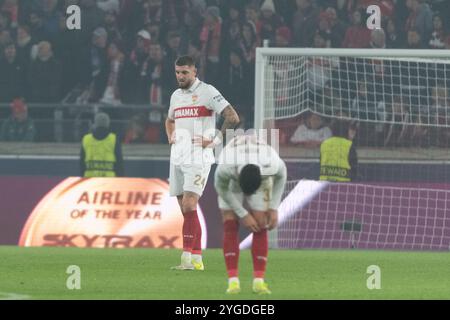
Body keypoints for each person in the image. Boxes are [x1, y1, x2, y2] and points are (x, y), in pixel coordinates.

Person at [165, 55, 240, 271]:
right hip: (178, 156)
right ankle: (197, 258)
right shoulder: (176, 96)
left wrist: (215, 140)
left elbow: (232, 116)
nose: (180, 76)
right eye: (177, 72)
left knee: (189, 204)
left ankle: (186, 260)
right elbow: (169, 119)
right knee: (186, 209)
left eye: (184, 72)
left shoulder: (208, 91)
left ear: (195, 72)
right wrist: (170, 135)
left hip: (199, 157)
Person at [214, 134, 287, 294]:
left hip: (259, 172)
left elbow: (282, 175)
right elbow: (221, 188)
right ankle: (233, 282)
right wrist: (243, 214)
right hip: (232, 180)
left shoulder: (271, 164)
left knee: (262, 224)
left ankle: (258, 282)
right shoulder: (226, 166)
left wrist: (274, 207)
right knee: (230, 222)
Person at [80, 112, 124, 177]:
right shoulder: (114, 139)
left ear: (95, 124)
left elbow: (82, 163)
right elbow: (119, 163)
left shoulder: (86, 139)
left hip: (89, 180)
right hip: (109, 180)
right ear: (108, 123)